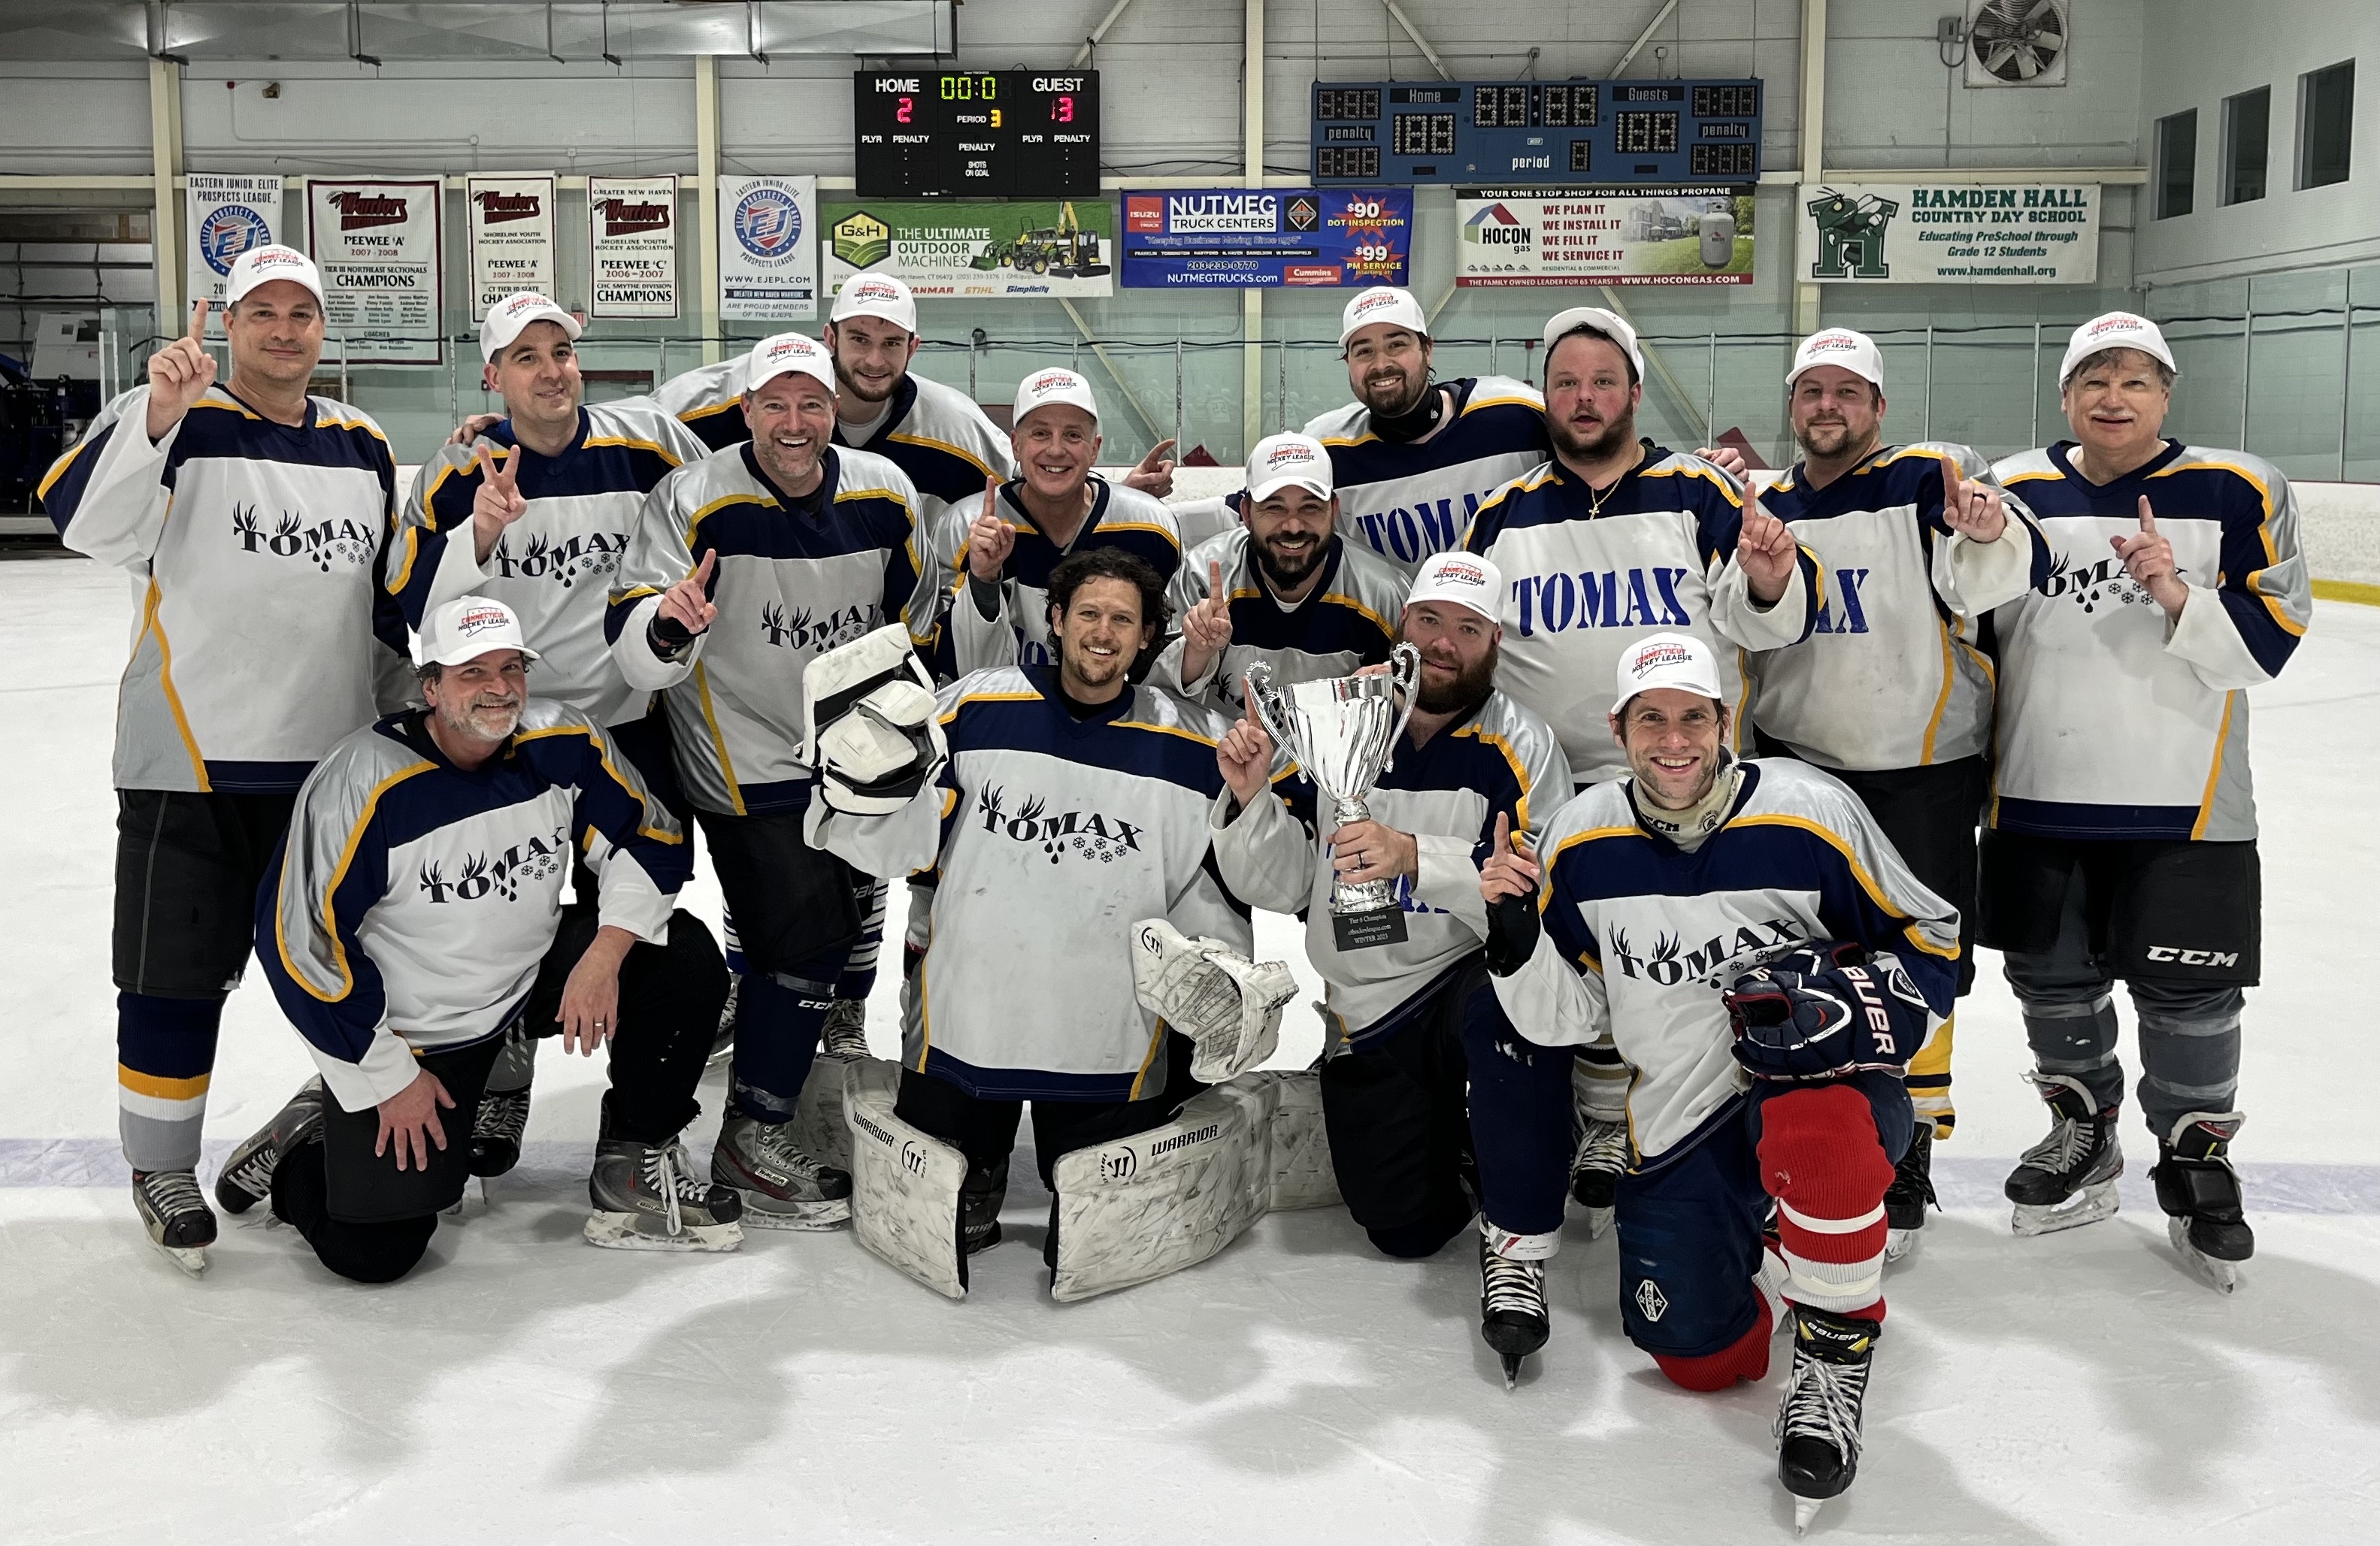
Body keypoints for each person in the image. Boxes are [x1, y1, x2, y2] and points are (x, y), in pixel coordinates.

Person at [1475, 631, 1958, 1526]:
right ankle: (1781, 1240)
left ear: (1724, 721)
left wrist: (1872, 1010)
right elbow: (1569, 1017)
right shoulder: (1582, 837)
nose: (1674, 740)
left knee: (1816, 1129)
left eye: (1693, 717)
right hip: (1676, 1114)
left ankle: (1831, 1358)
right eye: (1650, 719)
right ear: (1617, 729)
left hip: (1822, 1089)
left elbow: (1930, 935)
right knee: (1700, 1358)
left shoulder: (1809, 809)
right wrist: (1513, 939)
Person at [38, 244, 409, 1274]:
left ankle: (312, 1119)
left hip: (329, 768)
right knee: (172, 976)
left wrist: (404, 715)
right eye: (263, 313)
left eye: (302, 313)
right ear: (230, 323)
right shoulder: (175, 414)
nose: (284, 330)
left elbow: (379, 604)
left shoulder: (363, 443)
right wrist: (159, 413)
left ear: (323, 329)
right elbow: (86, 524)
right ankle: (162, 1166)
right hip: (191, 758)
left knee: (357, 968)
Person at [235, 595, 736, 1281]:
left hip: (524, 984)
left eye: (511, 668)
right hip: (419, 1034)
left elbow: (649, 836)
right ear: (431, 687)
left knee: (681, 957)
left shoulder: (560, 740)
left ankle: (633, 1156)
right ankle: (301, 1148)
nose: (498, 688)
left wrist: (603, 955)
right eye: (472, 672)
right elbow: (300, 943)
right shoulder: (363, 779)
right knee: (375, 1252)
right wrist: (387, 1077)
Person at [807, 548, 1247, 1281]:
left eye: (1123, 620)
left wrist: (1225, 971)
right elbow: (896, 837)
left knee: (1097, 1214)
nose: (1102, 633)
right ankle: (975, 1166)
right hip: (967, 1018)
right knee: (950, 1180)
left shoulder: (1195, 742)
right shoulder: (973, 706)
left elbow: (1215, 881)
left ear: (1147, 637)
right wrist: (851, 790)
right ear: (1056, 619)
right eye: (1088, 614)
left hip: (1109, 1037)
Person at [1983, 312, 2309, 1290]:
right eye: (2093, 378)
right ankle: (2082, 1134)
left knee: (2189, 995)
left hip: (2187, 805)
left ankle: (2193, 1157)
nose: (2112, 397)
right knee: (2051, 982)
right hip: (2036, 795)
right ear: (2064, 395)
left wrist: (2174, 593)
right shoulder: (2012, 490)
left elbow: (2268, 641)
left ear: (2165, 393)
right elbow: (1968, 633)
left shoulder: (2237, 487)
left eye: (2134, 380)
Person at [606, 330, 942, 1227]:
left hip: (850, 757)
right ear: (747, 410)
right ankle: (751, 1134)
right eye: (775, 404)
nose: (795, 423)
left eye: (812, 403)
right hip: (741, 759)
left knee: (818, 940)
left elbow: (912, 621)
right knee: (803, 941)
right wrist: (667, 624)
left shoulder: (885, 493)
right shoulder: (693, 497)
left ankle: (759, 1095)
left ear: (834, 410)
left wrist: (894, 731)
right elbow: (635, 642)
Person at [395, 292, 713, 1180]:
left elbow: (733, 478)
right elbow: (411, 603)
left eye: (561, 351)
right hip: (507, 733)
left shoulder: (649, 444)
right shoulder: (459, 471)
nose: (550, 370)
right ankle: (505, 1062)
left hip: (624, 723)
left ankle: (637, 1120)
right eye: (525, 357)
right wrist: (479, 533)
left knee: (643, 916)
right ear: (492, 376)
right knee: (505, 908)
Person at [1745, 327, 2048, 1257]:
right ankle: (1808, 1115)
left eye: (1847, 391)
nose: (1826, 406)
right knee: (1805, 953)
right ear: (1792, 405)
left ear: (1878, 407)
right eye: (1811, 391)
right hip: (1798, 763)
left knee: (1921, 951)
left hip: (1922, 768)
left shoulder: (1925, 478)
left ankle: (1911, 1133)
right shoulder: (1766, 503)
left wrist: (1989, 532)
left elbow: (1993, 564)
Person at [1210, 551, 1569, 1266]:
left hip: (1468, 975)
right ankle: (1460, 1143)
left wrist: (1414, 856)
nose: (1444, 643)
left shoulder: (1522, 743)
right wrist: (1252, 798)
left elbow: (1540, 903)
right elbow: (1285, 885)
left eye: (1468, 629)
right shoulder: (1338, 714)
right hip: (1369, 1003)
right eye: (1430, 620)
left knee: (1511, 1018)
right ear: (1403, 621)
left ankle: (1520, 1197)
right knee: (1401, 1227)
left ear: (1495, 641)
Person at [1461, 305, 1819, 788]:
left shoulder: (1700, 491)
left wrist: (1770, 585)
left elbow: (1771, 627)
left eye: (1603, 382)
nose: (1584, 396)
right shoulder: (1500, 514)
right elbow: (1462, 640)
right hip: (1539, 785)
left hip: (1695, 782)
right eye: (1566, 383)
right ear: (1545, 398)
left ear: (1634, 395)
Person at [937, 368, 1183, 678]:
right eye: (1040, 434)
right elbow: (952, 665)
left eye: (1073, 435)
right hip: (1003, 707)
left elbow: (1166, 656)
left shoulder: (1152, 529)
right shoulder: (966, 528)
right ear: (1016, 445)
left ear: (1094, 448)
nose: (1055, 449)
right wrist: (983, 579)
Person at [1292, 286, 1550, 576]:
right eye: (1364, 351)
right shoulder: (1325, 450)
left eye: (1396, 345)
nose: (1381, 364)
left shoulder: (1516, 414)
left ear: (1428, 350)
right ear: (1348, 364)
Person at [1152, 431, 1407, 713]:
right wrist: (1197, 651)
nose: (1293, 526)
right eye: (1275, 508)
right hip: (1218, 741)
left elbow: (1414, 701)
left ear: (1334, 510)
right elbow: (1154, 697)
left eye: (1310, 507)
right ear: (1246, 513)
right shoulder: (1202, 576)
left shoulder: (1382, 592)